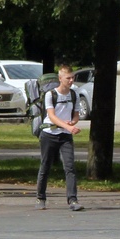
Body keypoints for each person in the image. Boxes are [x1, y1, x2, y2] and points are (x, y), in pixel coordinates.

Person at [37, 66, 83, 211]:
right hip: (49, 134)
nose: (71, 80)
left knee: (70, 167)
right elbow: (52, 116)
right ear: (60, 79)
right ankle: (41, 197)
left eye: (72, 78)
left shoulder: (74, 94)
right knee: (45, 165)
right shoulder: (51, 95)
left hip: (65, 136)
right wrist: (68, 127)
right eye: (68, 78)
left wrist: (73, 123)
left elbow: (76, 114)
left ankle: (72, 200)